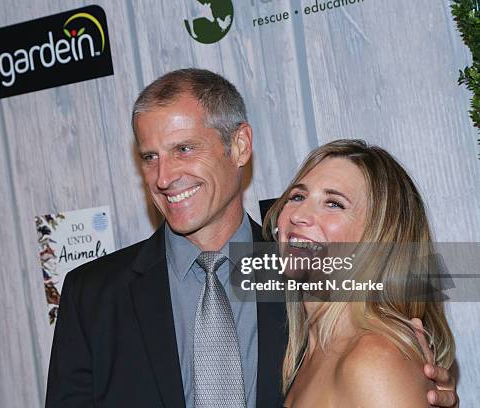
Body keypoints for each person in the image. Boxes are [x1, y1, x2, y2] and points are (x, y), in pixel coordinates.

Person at [45, 69, 458, 407]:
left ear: (239, 145)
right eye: (149, 157)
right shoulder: (93, 293)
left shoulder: (311, 274)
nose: (164, 177)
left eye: (185, 149)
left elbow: (392, 335)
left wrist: (417, 388)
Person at [262, 139, 457, 407]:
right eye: (297, 196)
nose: (299, 214)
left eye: (334, 204)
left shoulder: (374, 359)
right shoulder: (311, 355)